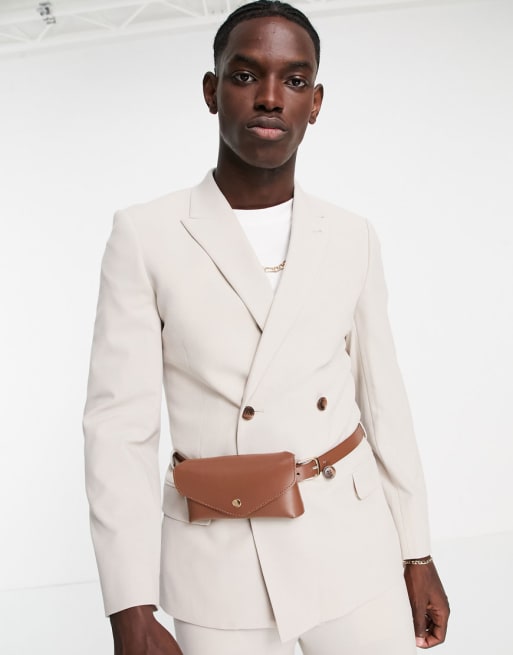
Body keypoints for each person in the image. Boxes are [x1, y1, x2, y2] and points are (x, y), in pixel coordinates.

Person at [82, 2, 450, 654]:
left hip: (351, 541)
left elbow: (384, 403)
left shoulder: (352, 236)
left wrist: (416, 551)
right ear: (211, 90)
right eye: (246, 75)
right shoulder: (145, 234)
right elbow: (119, 429)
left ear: (315, 102)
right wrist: (128, 604)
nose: (271, 98)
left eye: (295, 80)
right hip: (217, 557)